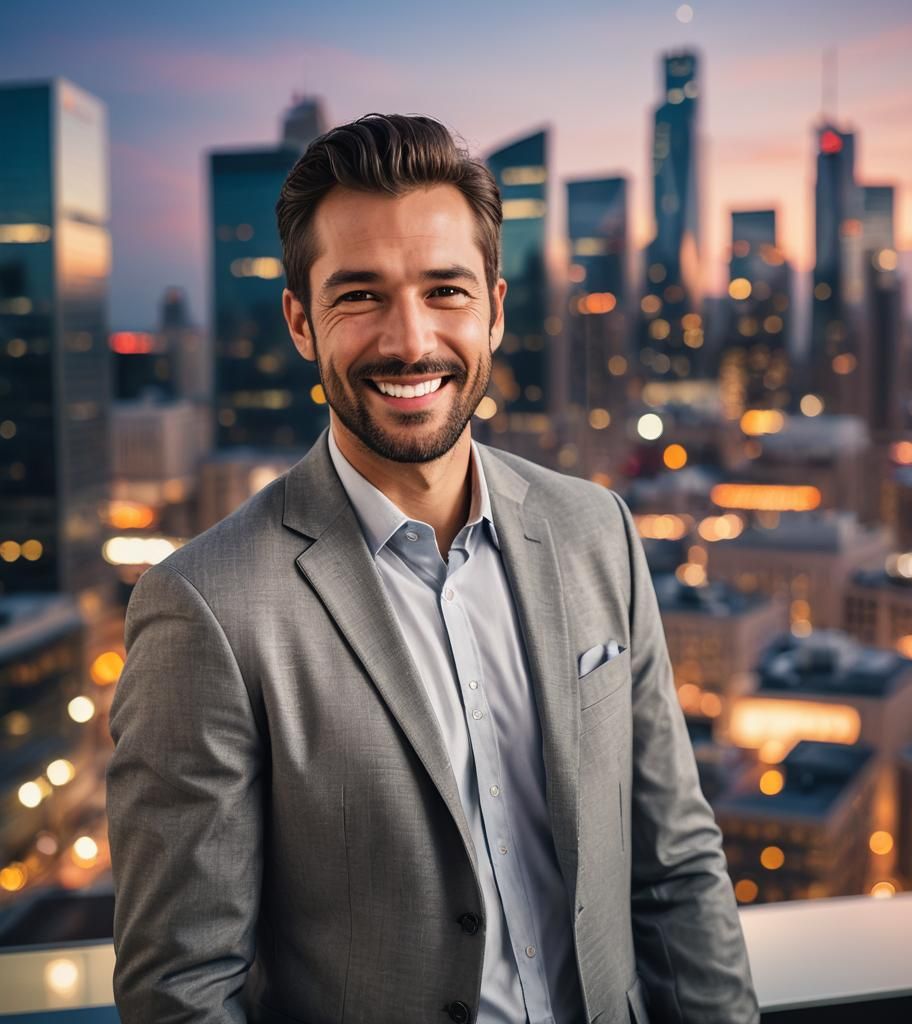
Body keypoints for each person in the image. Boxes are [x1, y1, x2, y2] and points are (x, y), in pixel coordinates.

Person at [106, 113, 759, 1024]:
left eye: (444, 289)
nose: (410, 341)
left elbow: (677, 867)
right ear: (301, 322)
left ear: (494, 305)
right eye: (360, 295)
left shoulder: (595, 529)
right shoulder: (205, 609)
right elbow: (182, 991)